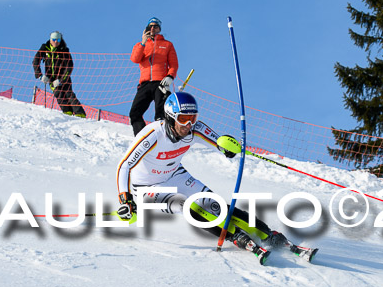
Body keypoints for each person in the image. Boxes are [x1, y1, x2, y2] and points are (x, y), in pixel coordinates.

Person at [115, 91, 316, 264]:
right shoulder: (152, 134)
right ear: (170, 117)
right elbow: (124, 165)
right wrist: (125, 199)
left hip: (174, 175)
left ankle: (269, 235)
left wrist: (227, 148)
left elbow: (220, 142)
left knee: (215, 205)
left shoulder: (195, 129)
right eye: (183, 119)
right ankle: (237, 237)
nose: (189, 124)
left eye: (193, 118)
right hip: (147, 187)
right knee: (187, 206)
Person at [128, 17, 179, 136]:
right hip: (145, 84)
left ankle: (164, 137)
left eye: (155, 26)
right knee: (135, 112)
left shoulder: (167, 44)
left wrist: (170, 77)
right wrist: (143, 42)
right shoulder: (140, 44)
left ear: (159, 29)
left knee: (161, 114)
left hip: (161, 83)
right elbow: (135, 59)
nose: (152, 28)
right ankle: (142, 138)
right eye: (150, 26)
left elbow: (174, 64)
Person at [32, 30, 86, 118]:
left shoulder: (64, 50)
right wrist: (40, 75)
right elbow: (35, 61)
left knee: (69, 94)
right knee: (59, 94)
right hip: (51, 78)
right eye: (54, 39)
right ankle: (67, 112)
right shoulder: (44, 48)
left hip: (63, 77)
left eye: (58, 40)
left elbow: (69, 66)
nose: (56, 42)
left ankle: (80, 113)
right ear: (50, 40)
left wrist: (61, 80)